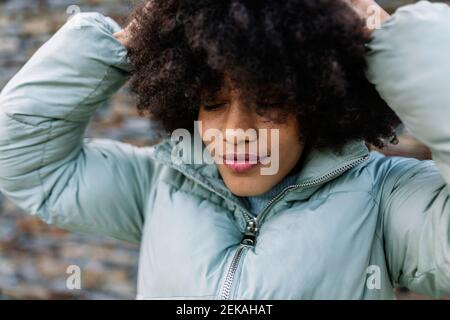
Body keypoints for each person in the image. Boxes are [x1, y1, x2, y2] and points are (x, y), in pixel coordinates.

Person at [0, 0, 449, 300]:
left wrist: (383, 33)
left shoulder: (385, 203)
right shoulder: (159, 184)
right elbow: (23, 158)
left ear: (319, 103)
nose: (236, 130)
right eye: (213, 103)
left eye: (270, 103)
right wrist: (131, 37)